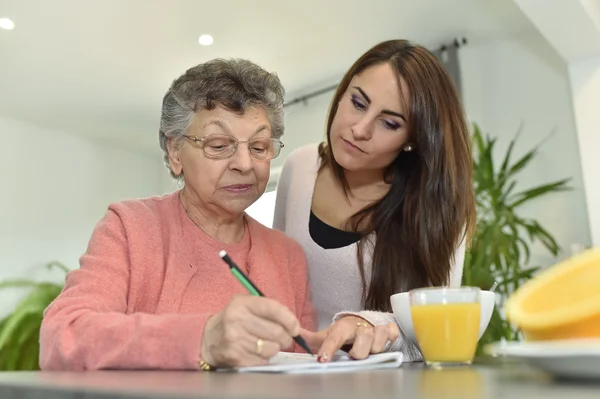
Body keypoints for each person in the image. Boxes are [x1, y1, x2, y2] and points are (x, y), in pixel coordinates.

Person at [39, 58, 316, 371]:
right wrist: (203, 340)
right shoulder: (131, 227)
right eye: (219, 144)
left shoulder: (287, 254)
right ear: (175, 153)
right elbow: (63, 337)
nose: (245, 163)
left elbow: (301, 362)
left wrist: (329, 348)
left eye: (259, 146)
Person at [273, 39, 475, 362]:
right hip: (295, 376)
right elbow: (277, 284)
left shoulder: (436, 207)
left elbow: (440, 331)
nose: (360, 129)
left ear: (412, 140)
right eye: (357, 102)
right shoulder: (299, 168)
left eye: (389, 122)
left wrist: (372, 324)